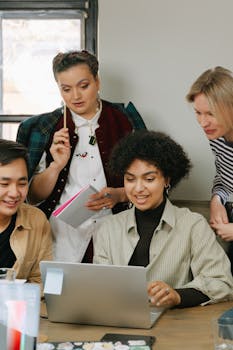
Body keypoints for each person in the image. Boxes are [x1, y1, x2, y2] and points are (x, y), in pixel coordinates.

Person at [16, 50, 146, 263]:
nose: (75, 96)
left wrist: (121, 195)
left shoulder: (125, 118)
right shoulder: (41, 128)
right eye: (66, 89)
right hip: (62, 233)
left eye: (83, 86)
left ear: (97, 81)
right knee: (60, 294)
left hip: (116, 228)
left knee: (112, 293)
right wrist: (56, 166)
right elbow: (31, 197)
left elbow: (155, 178)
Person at [93, 130, 233, 308]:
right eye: (130, 179)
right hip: (117, 323)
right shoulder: (109, 227)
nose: (138, 188)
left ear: (167, 179)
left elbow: (221, 283)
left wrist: (177, 296)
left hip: (174, 328)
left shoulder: (192, 224)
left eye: (149, 179)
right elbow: (98, 286)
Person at [186, 66, 233, 272]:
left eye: (211, 114)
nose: (203, 122)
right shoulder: (218, 137)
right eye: (198, 113)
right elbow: (224, 178)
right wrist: (217, 200)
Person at [0, 139, 52, 284]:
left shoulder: (36, 220)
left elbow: (40, 281)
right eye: (4, 184)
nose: (14, 193)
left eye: (22, 183)